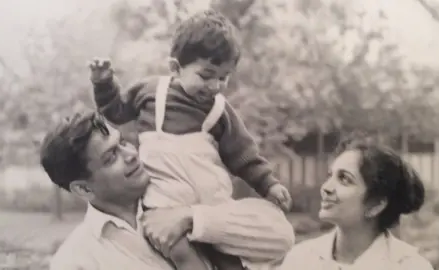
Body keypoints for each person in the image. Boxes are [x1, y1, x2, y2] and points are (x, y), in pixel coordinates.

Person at [89, 9, 292, 270]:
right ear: (176, 68)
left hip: (212, 209)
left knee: (231, 262)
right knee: (182, 254)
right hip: (163, 207)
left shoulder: (220, 111)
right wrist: (104, 84)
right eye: (206, 75)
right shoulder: (151, 93)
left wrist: (269, 185)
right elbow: (115, 112)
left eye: (223, 77)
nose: (215, 85)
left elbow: (244, 155)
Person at [40, 110, 295, 270]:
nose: (130, 154)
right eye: (110, 157)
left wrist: (191, 217)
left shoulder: (179, 186)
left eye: (124, 142)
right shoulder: (75, 260)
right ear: (83, 189)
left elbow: (281, 237)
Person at [279, 135, 434, 270]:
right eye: (330, 176)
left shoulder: (410, 266)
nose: (326, 187)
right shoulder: (301, 260)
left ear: (376, 205)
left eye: (344, 179)